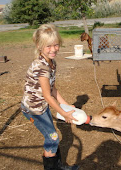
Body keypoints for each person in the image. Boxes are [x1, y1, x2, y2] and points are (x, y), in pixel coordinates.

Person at [21, 24, 79, 170]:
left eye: (56, 45)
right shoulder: (41, 66)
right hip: (33, 108)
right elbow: (47, 95)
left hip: (42, 106)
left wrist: (65, 105)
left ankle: (57, 166)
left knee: (51, 137)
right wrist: (63, 112)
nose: (53, 49)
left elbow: (52, 89)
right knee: (52, 138)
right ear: (39, 46)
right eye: (48, 46)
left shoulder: (51, 63)